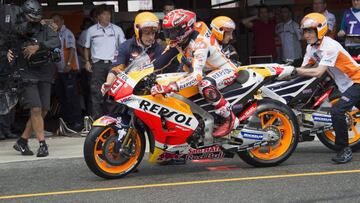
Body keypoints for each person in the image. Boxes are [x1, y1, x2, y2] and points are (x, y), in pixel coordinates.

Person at [150, 9, 239, 137]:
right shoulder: (181, 39)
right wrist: (139, 71)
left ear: (184, 29)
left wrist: (170, 87)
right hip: (208, 70)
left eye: (173, 31)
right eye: (168, 30)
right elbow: (160, 62)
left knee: (204, 84)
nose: (170, 34)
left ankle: (230, 118)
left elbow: (197, 76)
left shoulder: (200, 44)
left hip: (225, 69)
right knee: (174, 77)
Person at [294, 13, 360, 164]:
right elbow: (304, 68)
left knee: (337, 111)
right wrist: (282, 71)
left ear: (320, 30)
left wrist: (294, 70)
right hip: (347, 85)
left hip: (357, 81)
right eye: (305, 31)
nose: (307, 35)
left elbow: (317, 72)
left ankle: (344, 150)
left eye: (310, 31)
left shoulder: (330, 46)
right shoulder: (311, 48)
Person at [7, 0, 61, 157]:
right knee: (35, 109)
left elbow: (56, 41)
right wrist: (7, 52)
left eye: (37, 16)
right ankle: (42, 144)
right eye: (32, 16)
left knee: (44, 109)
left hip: (45, 72)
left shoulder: (46, 29)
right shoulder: (17, 30)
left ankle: (22, 141)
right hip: (26, 73)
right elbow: (6, 43)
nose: (35, 19)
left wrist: (39, 46)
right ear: (24, 16)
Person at [101, 11, 164, 94]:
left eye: (153, 33)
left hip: (151, 91)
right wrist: (109, 82)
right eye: (147, 33)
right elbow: (116, 69)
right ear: (138, 31)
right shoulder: (125, 46)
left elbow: (162, 73)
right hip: (128, 91)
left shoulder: (159, 48)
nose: (151, 37)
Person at [84, 4, 125, 120]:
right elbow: (86, 47)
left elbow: (123, 47)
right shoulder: (91, 31)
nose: (107, 16)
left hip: (114, 65)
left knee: (113, 92)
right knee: (97, 93)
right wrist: (87, 61)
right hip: (98, 65)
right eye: (104, 14)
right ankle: (97, 122)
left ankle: (113, 120)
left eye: (108, 14)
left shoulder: (117, 30)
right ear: (98, 17)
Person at [52, 13, 83, 131]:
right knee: (62, 96)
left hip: (70, 70)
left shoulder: (67, 33)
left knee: (72, 97)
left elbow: (72, 49)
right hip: (60, 71)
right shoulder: (55, 34)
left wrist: (69, 64)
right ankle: (68, 121)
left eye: (57, 21)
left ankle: (78, 122)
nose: (55, 23)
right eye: (53, 21)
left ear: (62, 21)